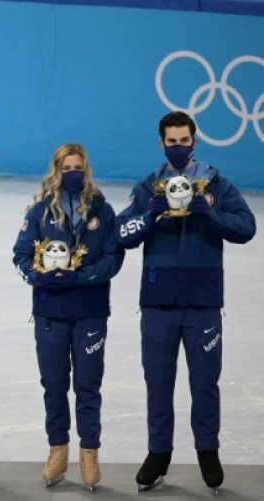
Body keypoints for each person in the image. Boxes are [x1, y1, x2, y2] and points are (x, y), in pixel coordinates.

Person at [116, 111, 255, 493]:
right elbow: (121, 233)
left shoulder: (217, 183)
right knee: (158, 383)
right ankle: (158, 453)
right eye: (172, 142)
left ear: (195, 141)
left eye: (185, 141)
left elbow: (247, 227)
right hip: (159, 305)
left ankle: (207, 452)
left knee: (205, 384)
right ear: (161, 143)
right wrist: (149, 217)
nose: (179, 147)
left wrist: (211, 215)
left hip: (203, 304)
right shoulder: (149, 187)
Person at [12, 144, 124, 490]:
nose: (73, 173)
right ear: (56, 171)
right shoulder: (39, 212)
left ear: (86, 169)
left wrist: (84, 277)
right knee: (55, 384)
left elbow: (113, 258)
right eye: (66, 167)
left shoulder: (103, 212)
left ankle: (89, 453)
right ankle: (57, 450)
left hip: (90, 311)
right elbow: (20, 255)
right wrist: (36, 276)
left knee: (88, 386)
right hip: (51, 311)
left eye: (78, 167)